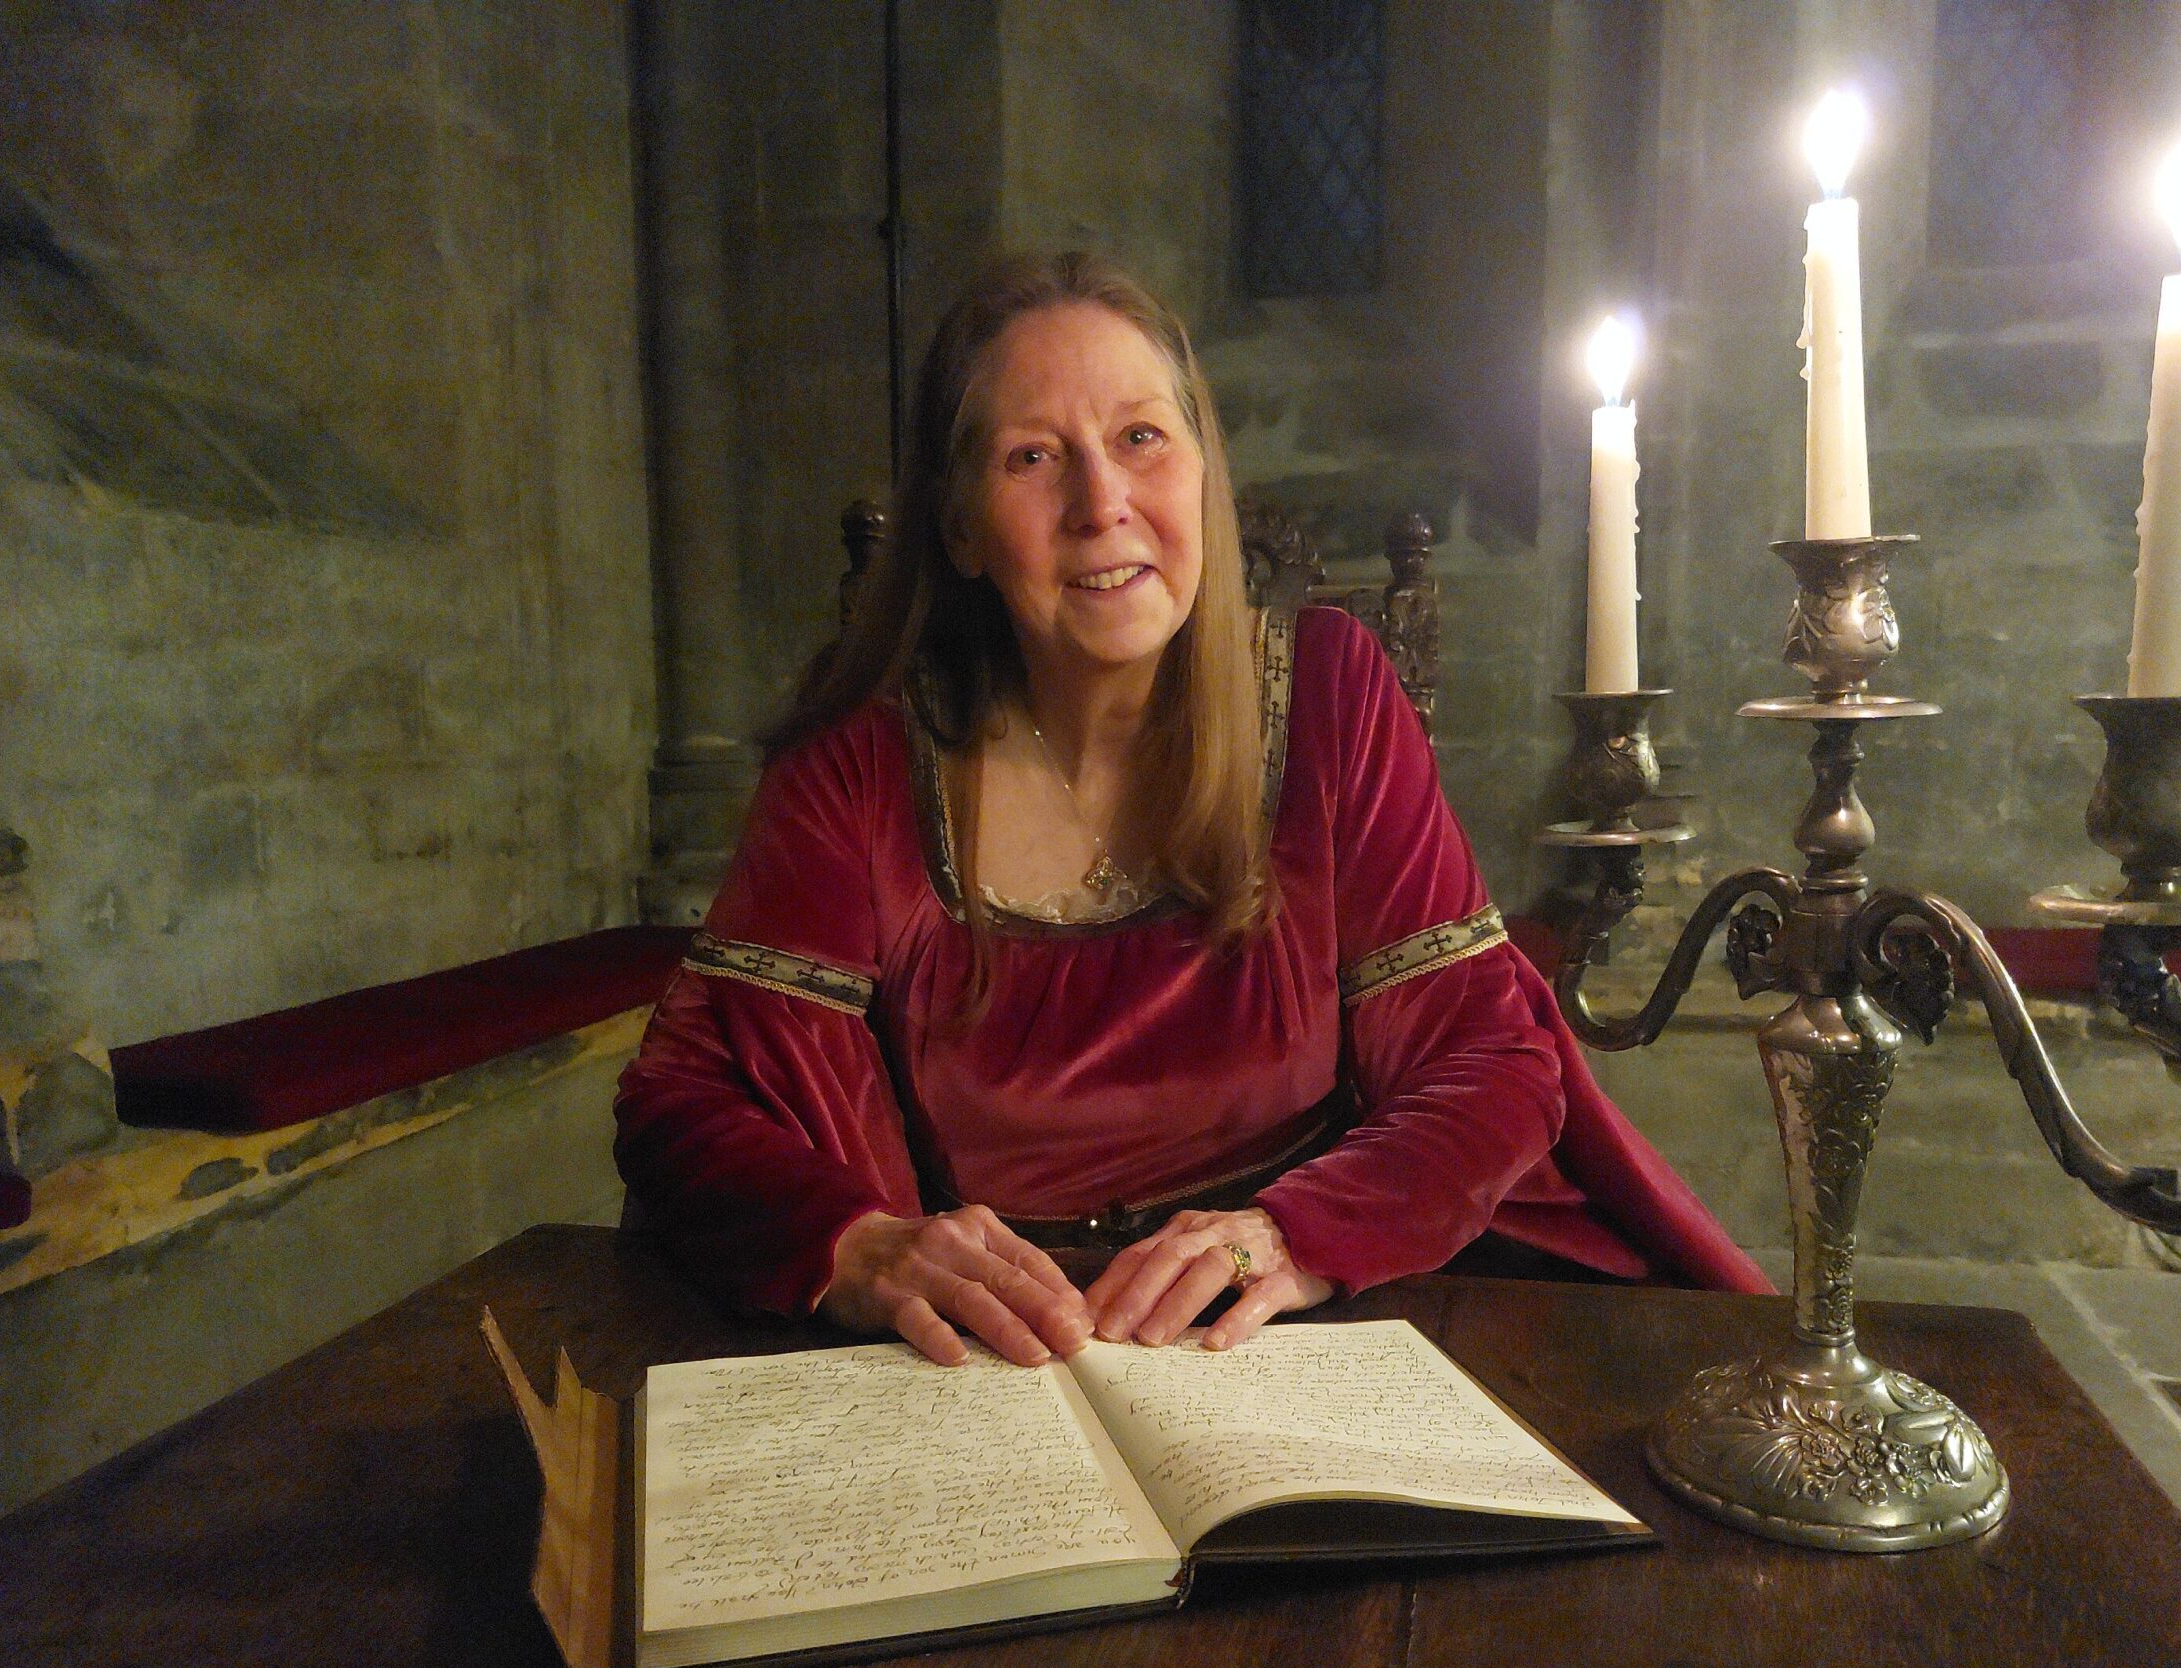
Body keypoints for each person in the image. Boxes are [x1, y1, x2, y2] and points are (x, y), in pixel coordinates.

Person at [615, 251, 1769, 1368]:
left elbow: (1487, 1057)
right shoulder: (861, 764)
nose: (1100, 503)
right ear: (960, 525)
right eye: (1031, 459)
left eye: (1139, 439)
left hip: (1299, 1323)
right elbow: (681, 1100)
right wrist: (860, 1246)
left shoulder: (1326, 690)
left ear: (1202, 474)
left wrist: (1296, 1235)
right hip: (999, 1362)